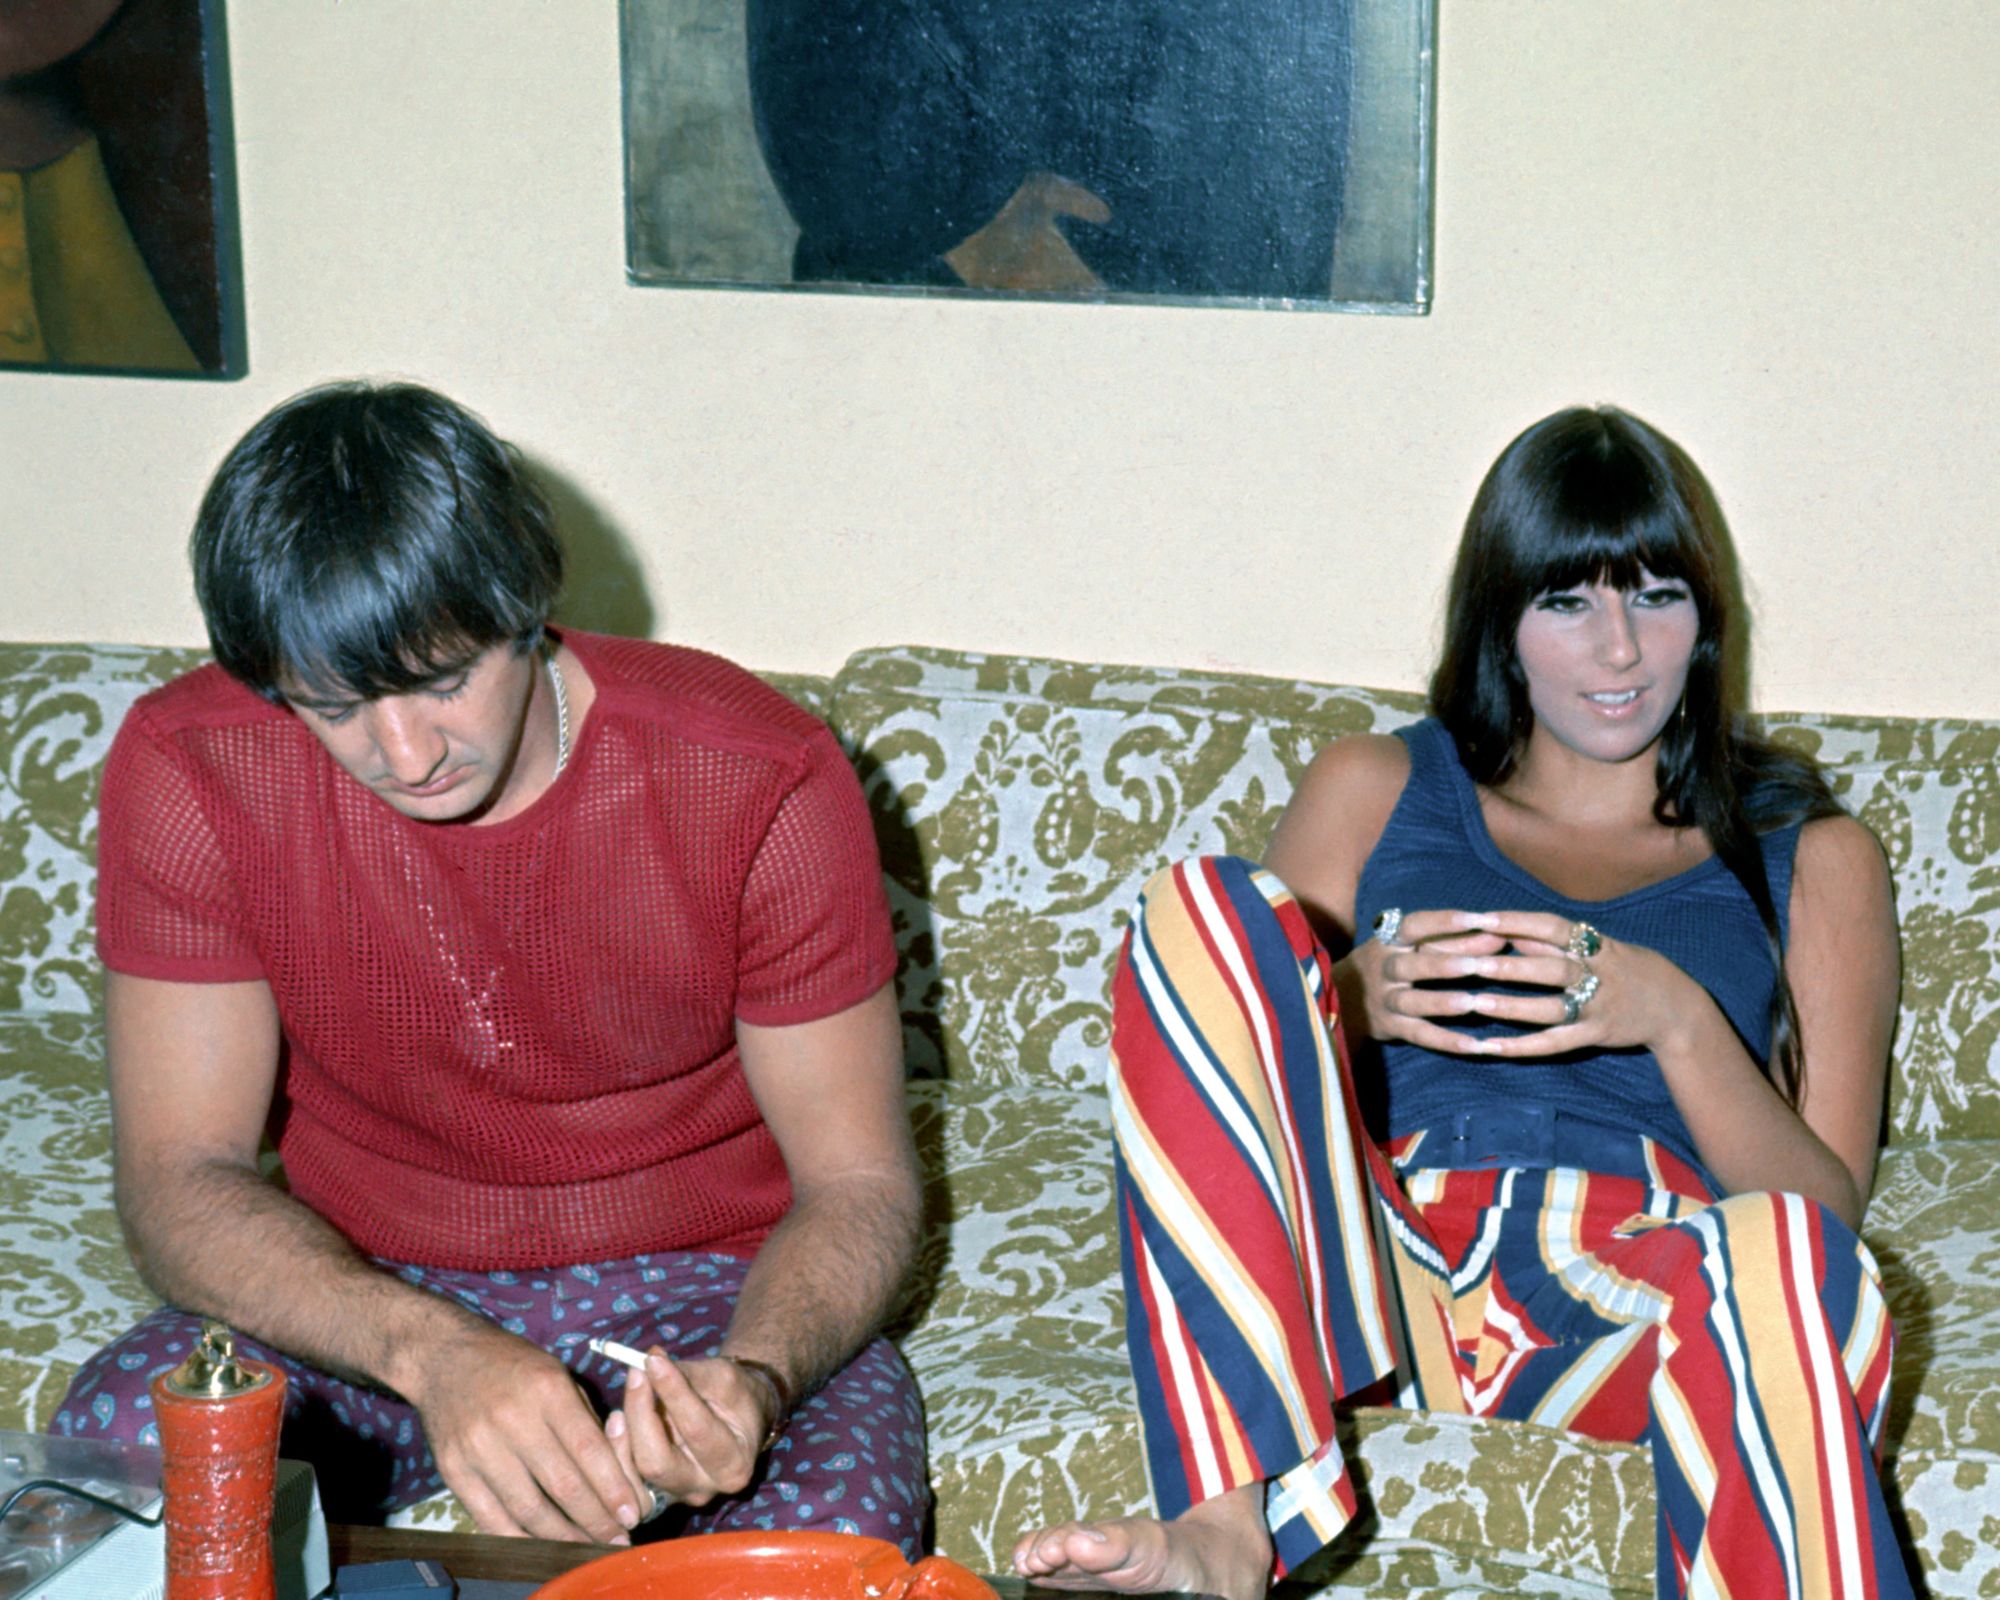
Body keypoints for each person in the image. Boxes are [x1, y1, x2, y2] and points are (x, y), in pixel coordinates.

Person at [1013, 406, 1913, 1598]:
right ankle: (1228, 1525)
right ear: (1500, 618)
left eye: (1653, 595)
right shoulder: (1377, 783)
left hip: (1639, 1304)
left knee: (1790, 1252)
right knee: (1205, 907)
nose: (1618, 651)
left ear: (1705, 618)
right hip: (1384, 1288)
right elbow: (1229, 1049)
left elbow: (1826, 1211)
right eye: (1565, 602)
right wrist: (1346, 1001)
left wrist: (1676, 1019)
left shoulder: (1808, 853)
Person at [53, 381, 928, 1553]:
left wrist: (754, 1381)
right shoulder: (192, 765)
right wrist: (431, 1348)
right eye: (334, 704)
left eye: (441, 679)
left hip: (712, 1297)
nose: (404, 753)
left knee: (830, 1551)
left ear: (524, 611)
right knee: (110, 1467)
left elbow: (858, 1184)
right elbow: (179, 1176)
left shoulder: (756, 773)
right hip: (364, 1285)